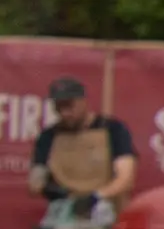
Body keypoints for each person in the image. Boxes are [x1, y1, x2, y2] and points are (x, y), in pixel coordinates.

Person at [25, 77, 137, 218]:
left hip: (106, 208)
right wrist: (49, 190)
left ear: (83, 101)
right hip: (67, 210)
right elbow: (35, 182)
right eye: (59, 107)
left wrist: (95, 197)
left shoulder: (113, 130)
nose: (65, 113)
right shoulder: (49, 136)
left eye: (69, 105)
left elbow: (126, 178)